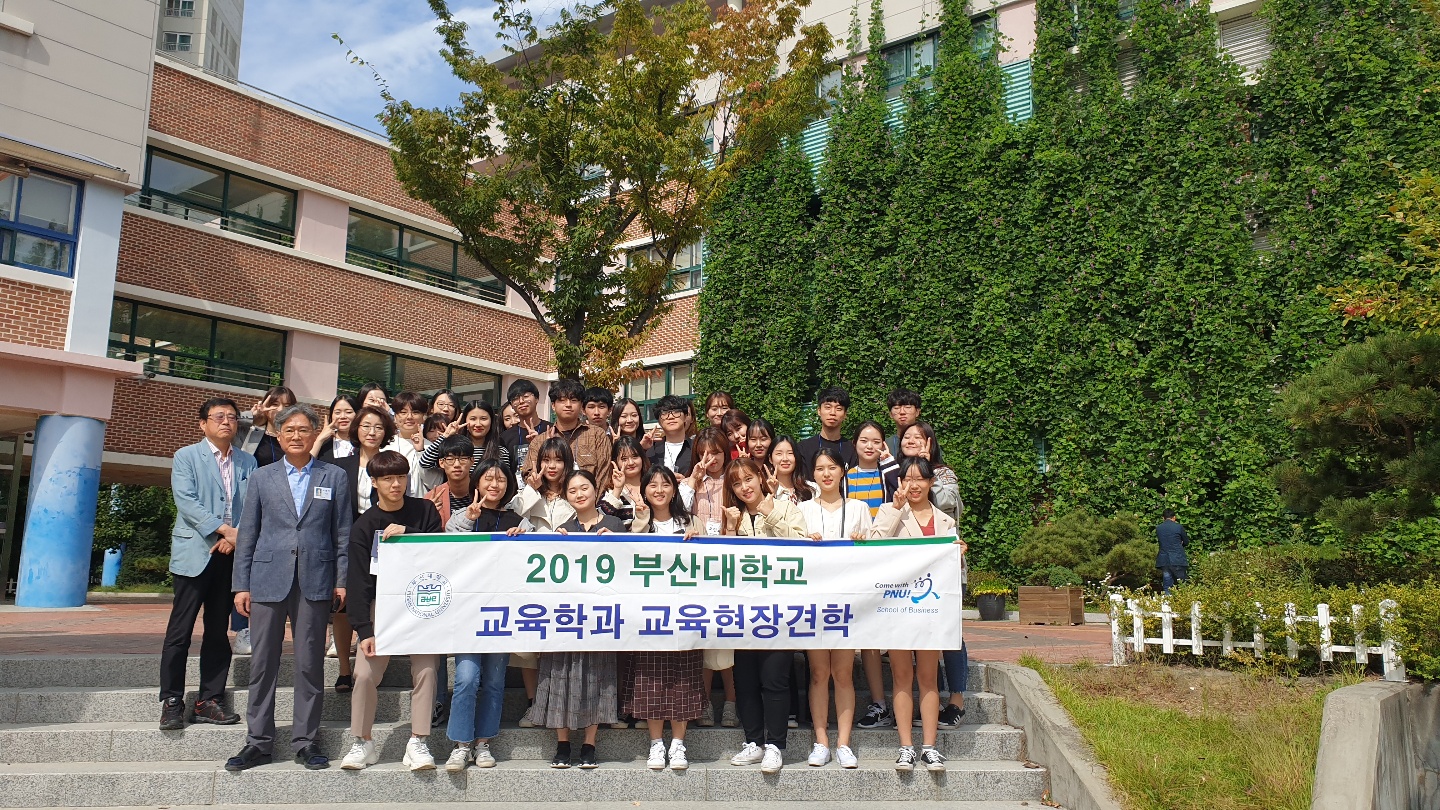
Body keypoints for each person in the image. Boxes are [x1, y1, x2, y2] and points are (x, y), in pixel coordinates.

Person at [227, 404, 352, 772]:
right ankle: (258, 741)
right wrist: (241, 585)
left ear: (315, 435)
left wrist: (341, 580)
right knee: (262, 663)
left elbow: (342, 533)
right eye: (289, 430)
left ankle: (306, 741)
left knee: (310, 663)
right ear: (279, 436)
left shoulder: (334, 476)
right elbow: (248, 534)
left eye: (303, 430)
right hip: (267, 578)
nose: (296, 436)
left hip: (316, 578)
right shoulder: (261, 477)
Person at [341, 451, 443, 771]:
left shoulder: (425, 510)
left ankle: (418, 741)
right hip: (381, 605)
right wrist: (363, 630)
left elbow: (441, 553)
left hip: (422, 600)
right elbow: (357, 582)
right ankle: (362, 741)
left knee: (427, 670)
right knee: (364, 674)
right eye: (387, 479)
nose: (395, 484)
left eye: (400, 477)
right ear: (374, 482)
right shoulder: (363, 525)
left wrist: (408, 534)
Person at [159, 397, 257, 731]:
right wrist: (224, 530)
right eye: (219, 417)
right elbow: (186, 502)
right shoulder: (186, 456)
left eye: (232, 417)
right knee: (180, 631)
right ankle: (172, 700)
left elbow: (253, 505)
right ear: (203, 423)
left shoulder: (248, 461)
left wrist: (236, 537)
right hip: (194, 553)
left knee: (217, 631)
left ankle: (209, 700)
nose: (226, 422)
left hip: (230, 555)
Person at [867, 456, 962, 773]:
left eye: (920, 478)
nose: (913, 484)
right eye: (907, 478)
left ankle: (930, 748)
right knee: (901, 677)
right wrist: (895, 510)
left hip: (931, 609)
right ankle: (906, 747)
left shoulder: (945, 521)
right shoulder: (889, 511)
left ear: (931, 482)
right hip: (898, 609)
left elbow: (951, 568)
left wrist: (959, 552)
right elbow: (873, 545)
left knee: (928, 678)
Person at [525, 470, 621, 768]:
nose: (579, 494)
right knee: (559, 674)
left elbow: (631, 566)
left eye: (584, 488)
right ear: (566, 496)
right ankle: (563, 743)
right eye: (573, 490)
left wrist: (619, 543)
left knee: (598, 676)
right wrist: (555, 545)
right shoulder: (562, 529)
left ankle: (590, 744)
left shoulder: (615, 525)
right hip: (566, 618)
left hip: (600, 617)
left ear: (596, 490)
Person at [722, 457, 806, 774]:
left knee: (774, 679)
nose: (744, 487)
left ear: (760, 477)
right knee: (745, 680)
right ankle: (753, 741)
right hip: (743, 612)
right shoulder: (735, 516)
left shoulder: (786, 508)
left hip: (780, 610)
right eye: (736, 483)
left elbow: (801, 547)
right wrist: (731, 529)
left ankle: (776, 745)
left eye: (748, 479)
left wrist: (770, 515)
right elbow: (722, 563)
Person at [443, 461, 521, 772]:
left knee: (493, 681)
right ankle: (461, 744)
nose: (494, 484)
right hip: (468, 612)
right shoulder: (462, 516)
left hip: (503, 612)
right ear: (477, 482)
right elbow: (447, 549)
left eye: (501, 479)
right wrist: (468, 521)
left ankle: (484, 742)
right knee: (466, 678)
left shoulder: (519, 521)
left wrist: (523, 539)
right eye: (488, 478)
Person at [625, 468, 704, 770]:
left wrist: (698, 542)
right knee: (651, 676)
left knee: (684, 676)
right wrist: (640, 521)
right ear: (644, 490)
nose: (659, 490)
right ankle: (656, 743)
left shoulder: (692, 522)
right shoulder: (635, 523)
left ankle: (679, 744)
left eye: (665, 485)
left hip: (685, 613)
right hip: (649, 616)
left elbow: (710, 563)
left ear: (674, 490)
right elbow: (627, 557)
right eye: (653, 485)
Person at [797, 448, 868, 768]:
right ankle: (821, 741)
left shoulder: (859, 508)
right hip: (813, 601)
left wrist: (862, 540)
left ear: (843, 472)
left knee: (842, 673)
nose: (826, 474)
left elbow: (875, 551)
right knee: (818, 672)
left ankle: (844, 743)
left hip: (846, 601)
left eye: (832, 468)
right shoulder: (803, 509)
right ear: (813, 474)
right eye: (820, 468)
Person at [895, 421, 968, 728]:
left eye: (918, 437)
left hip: (942, 576)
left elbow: (949, 502)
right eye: (906, 437)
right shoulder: (897, 475)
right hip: (905, 586)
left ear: (930, 441)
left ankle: (956, 699)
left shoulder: (943, 473)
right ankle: (926, 705)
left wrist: (929, 473)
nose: (911, 441)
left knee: (950, 635)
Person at [330, 405, 396, 693]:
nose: (372, 432)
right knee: (344, 603)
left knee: (377, 600)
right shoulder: (339, 465)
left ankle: (372, 663)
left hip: (382, 540)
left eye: (379, 427)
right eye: (366, 426)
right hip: (347, 540)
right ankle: (345, 669)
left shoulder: (392, 462)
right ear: (356, 429)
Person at [683, 428, 737, 728]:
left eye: (716, 452)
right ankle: (702, 702)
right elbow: (677, 510)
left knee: (726, 638)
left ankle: (731, 702)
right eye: (703, 453)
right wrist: (693, 480)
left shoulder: (735, 479)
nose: (710, 459)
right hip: (698, 568)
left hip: (729, 566)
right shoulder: (691, 482)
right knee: (702, 636)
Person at [521, 379, 613, 485]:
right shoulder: (539, 441)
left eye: (573, 400)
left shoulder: (597, 435)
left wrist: (589, 495)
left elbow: (604, 475)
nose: (568, 405)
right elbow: (528, 473)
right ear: (553, 405)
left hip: (588, 495)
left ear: (581, 405)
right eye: (562, 400)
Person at [419, 401, 512, 478]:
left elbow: (504, 481)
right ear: (465, 420)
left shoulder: (501, 452)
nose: (478, 424)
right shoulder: (454, 448)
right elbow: (424, 462)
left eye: (483, 419)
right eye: (473, 419)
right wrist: (445, 437)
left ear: (491, 422)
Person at [513, 437, 577, 532]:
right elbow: (513, 515)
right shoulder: (530, 493)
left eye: (558, 460)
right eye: (546, 460)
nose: (552, 466)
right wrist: (532, 489)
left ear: (567, 463)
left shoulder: (575, 494)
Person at [847, 420, 899, 518]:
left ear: (883, 446)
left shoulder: (888, 475)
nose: (869, 446)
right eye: (864, 441)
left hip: (885, 527)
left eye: (876, 442)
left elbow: (903, 492)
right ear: (854, 443)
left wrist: (889, 463)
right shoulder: (845, 478)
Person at [797, 388, 858, 470]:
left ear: (845, 414)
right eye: (828, 407)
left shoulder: (852, 450)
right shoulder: (803, 448)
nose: (832, 413)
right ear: (819, 411)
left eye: (838, 409)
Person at [500, 379, 550, 478]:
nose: (521, 401)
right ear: (512, 405)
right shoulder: (504, 437)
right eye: (516, 398)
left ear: (537, 399)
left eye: (526, 396)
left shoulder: (551, 429)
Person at [425, 435, 477, 527]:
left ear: (472, 461)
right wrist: (429, 514)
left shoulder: (483, 493)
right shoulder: (432, 498)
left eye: (463, 459)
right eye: (450, 459)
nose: (457, 464)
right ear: (441, 463)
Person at [385, 392, 431, 495]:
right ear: (395, 417)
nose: (409, 417)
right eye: (403, 412)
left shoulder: (430, 447)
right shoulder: (385, 446)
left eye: (415, 412)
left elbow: (433, 482)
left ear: (423, 417)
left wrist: (421, 452)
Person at [237, 386, 295, 468]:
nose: (281, 409)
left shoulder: (295, 438)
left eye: (287, 406)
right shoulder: (250, 432)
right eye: (275, 404)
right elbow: (230, 422)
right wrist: (252, 416)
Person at [600, 435, 648, 529]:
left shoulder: (653, 486)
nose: (630, 463)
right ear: (615, 462)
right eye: (624, 459)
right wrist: (617, 490)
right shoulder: (610, 491)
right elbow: (599, 519)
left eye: (635, 457)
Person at [644, 395, 694, 476]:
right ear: (659, 421)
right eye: (664, 413)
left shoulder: (696, 447)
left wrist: (688, 481)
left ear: (685, 417)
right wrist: (642, 449)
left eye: (676, 412)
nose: (670, 417)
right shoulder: (651, 450)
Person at [766, 436, 816, 503]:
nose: (785, 459)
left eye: (790, 453)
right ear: (770, 459)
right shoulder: (764, 491)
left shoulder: (813, 489)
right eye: (779, 454)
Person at [312, 395, 359, 462]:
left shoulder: (364, 443)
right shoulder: (323, 443)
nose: (342, 416)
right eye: (337, 413)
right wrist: (320, 439)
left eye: (348, 412)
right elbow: (305, 464)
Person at [1156, 509, 1189, 592]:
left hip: (1164, 559)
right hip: (1177, 558)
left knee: (1167, 584)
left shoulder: (1159, 528)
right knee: (1181, 584)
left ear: (1163, 518)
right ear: (1174, 517)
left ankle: (1167, 598)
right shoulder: (1178, 527)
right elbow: (1186, 542)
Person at [885, 388, 923, 460]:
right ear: (890, 414)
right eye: (897, 408)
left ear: (917, 412)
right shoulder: (885, 445)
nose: (902, 412)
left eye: (907, 407)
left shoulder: (928, 442)